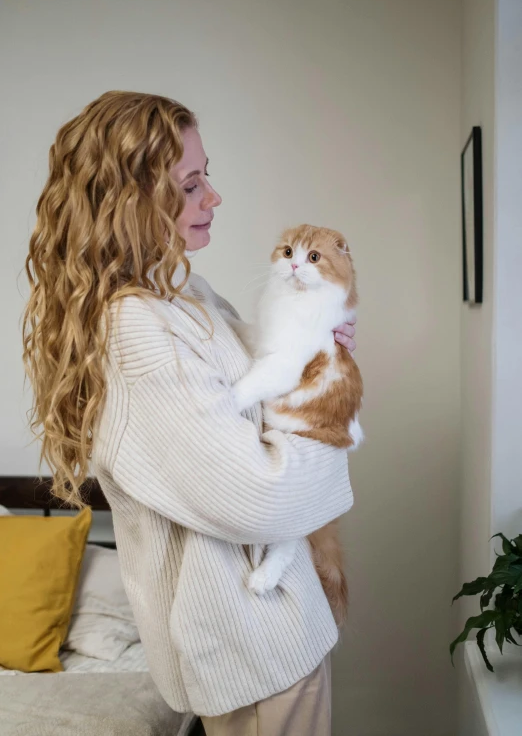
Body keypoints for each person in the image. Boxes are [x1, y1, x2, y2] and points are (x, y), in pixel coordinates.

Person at [23, 91, 356, 736]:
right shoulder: (134, 330)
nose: (214, 197)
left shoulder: (179, 291)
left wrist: (317, 353)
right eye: (191, 183)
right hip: (253, 649)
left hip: (274, 635)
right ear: (131, 198)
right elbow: (258, 498)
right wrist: (328, 411)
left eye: (208, 176)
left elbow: (255, 388)